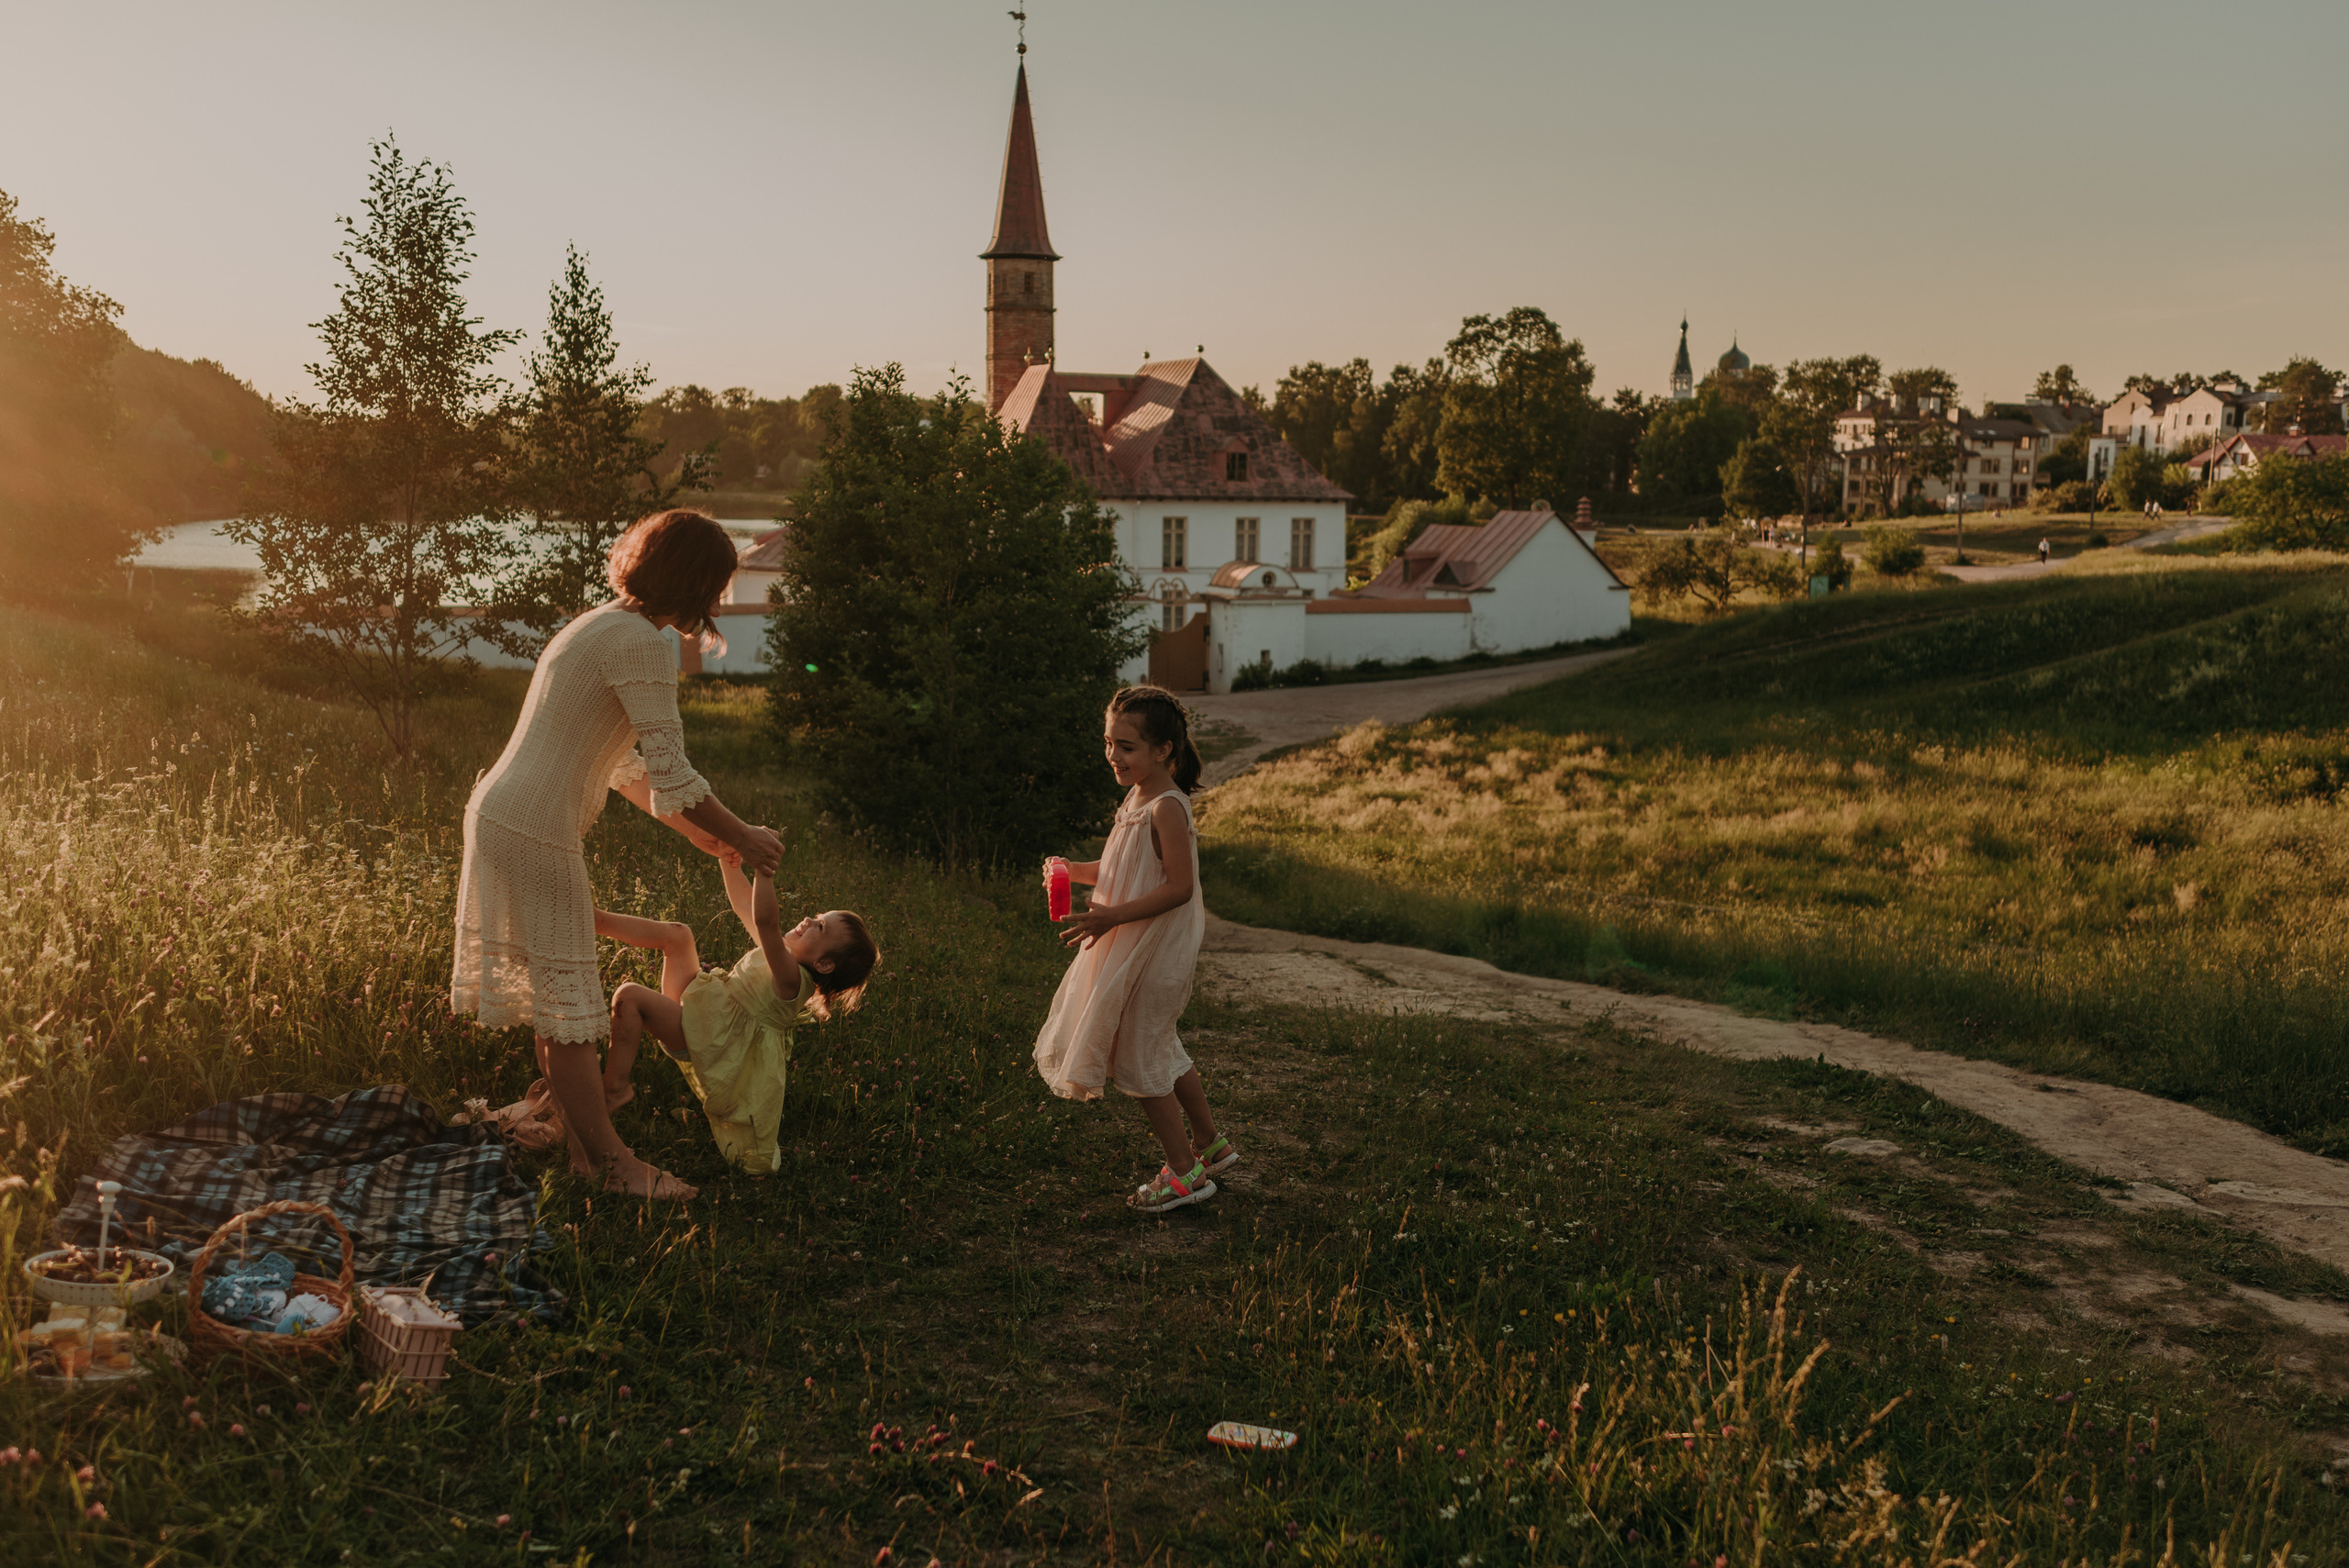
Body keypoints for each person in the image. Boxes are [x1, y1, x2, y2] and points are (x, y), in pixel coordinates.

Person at [452, 509, 784, 1200]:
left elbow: (621, 764)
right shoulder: (640, 644)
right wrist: (746, 835)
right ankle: (608, 1165)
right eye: (716, 584)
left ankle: (579, 1143)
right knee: (571, 1009)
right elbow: (671, 770)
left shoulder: (599, 623)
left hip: (505, 814)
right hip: (535, 827)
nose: (717, 600)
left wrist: (699, 833)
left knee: (558, 999)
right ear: (695, 580)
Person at [1033, 685, 1235, 1213]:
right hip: (1133, 943)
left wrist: (1110, 917)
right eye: (1109, 743)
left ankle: (1186, 1175)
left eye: (1126, 747)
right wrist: (1073, 870)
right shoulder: (1137, 796)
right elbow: (1123, 865)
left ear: (1163, 749)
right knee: (1159, 1042)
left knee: (1140, 1055)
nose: (1113, 756)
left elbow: (1180, 887)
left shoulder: (1167, 806)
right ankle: (1211, 1144)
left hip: (1155, 949)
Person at [602, 855, 877, 1175]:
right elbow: (745, 905)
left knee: (629, 997)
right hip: (703, 1014)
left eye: (820, 927)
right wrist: (728, 858)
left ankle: (615, 1087)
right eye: (817, 917)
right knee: (678, 935)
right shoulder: (784, 956)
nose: (808, 919)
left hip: (710, 1043)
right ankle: (595, 920)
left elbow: (765, 921)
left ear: (824, 964)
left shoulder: (791, 979)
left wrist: (763, 869)